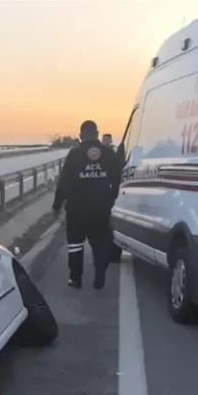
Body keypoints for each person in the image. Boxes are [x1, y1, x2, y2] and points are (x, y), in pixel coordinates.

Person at [52, 120, 123, 290]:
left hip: (77, 209)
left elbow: (64, 182)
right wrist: (112, 198)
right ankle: (100, 274)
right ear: (97, 134)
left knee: (75, 244)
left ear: (80, 136)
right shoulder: (108, 153)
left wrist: (56, 205)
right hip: (101, 207)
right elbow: (118, 178)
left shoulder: (74, 154)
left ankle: (76, 279)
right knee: (100, 242)